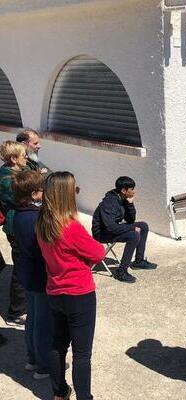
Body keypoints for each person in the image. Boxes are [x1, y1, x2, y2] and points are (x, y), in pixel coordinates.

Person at [37, 171, 105, 400]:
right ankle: (84, 397)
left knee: (58, 345)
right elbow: (98, 253)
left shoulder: (43, 222)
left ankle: (59, 391)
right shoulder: (71, 227)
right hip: (79, 294)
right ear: (66, 195)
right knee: (82, 353)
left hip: (55, 291)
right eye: (74, 189)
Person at [12, 170, 52, 379]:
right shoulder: (35, 218)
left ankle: (32, 359)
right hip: (39, 275)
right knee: (43, 323)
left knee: (33, 319)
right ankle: (43, 366)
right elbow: (41, 248)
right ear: (35, 193)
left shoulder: (19, 213)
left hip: (27, 273)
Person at [92, 176, 157, 283]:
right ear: (123, 190)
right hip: (102, 233)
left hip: (112, 229)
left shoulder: (122, 199)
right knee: (134, 235)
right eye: (131, 189)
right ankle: (121, 272)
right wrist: (131, 228)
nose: (134, 192)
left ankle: (139, 261)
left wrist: (130, 204)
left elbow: (130, 220)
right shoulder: (109, 203)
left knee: (143, 226)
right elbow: (110, 227)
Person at [0, 141, 28, 326]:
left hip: (19, 224)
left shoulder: (13, 173)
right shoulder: (8, 180)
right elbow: (22, 200)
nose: (27, 157)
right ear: (13, 159)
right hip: (16, 226)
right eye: (24, 155)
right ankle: (16, 312)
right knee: (21, 268)